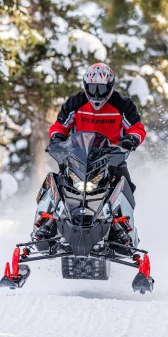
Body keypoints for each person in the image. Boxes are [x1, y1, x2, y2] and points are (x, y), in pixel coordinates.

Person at [31, 62, 146, 243]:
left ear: (110, 87)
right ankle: (45, 226)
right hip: (77, 157)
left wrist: (130, 139)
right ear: (86, 86)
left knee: (126, 186)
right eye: (92, 88)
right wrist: (57, 138)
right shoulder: (76, 102)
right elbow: (60, 125)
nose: (96, 94)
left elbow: (137, 128)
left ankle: (124, 232)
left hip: (111, 158)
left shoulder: (122, 105)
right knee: (55, 183)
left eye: (101, 89)